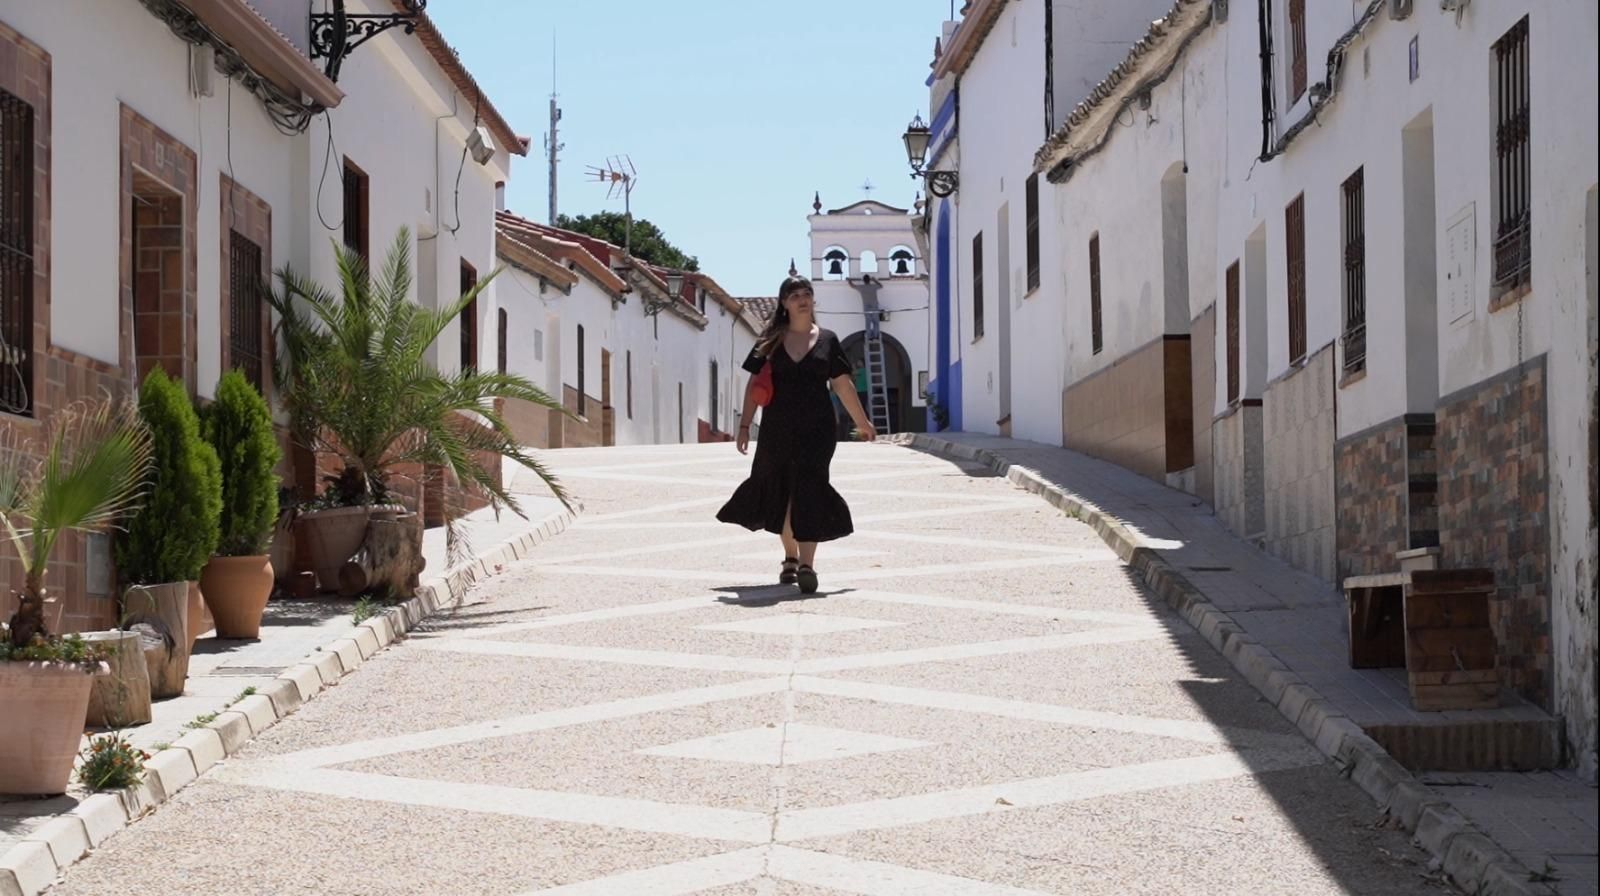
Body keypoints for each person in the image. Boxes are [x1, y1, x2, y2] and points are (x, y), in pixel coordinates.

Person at [716, 275, 876, 593]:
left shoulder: (829, 340)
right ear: (784, 303)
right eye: (795, 295)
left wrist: (863, 422)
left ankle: (807, 565)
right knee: (782, 491)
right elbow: (753, 385)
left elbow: (842, 384)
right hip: (777, 428)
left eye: (807, 293)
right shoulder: (770, 340)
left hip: (818, 429)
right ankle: (790, 556)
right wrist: (745, 425)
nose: (802, 299)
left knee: (811, 490)